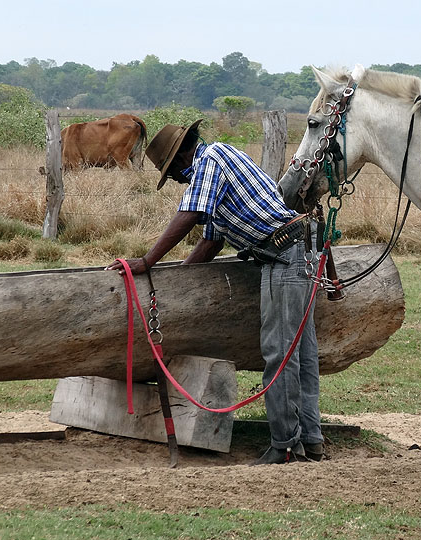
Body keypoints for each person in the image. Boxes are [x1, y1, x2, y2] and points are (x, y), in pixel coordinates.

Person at [107, 120, 324, 465]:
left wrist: (147, 262)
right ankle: (310, 440)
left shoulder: (212, 159)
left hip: (284, 255)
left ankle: (285, 446)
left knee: (279, 354)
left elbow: (191, 213)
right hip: (296, 254)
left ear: (179, 163)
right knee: (300, 353)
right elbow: (211, 240)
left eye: (173, 173)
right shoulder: (217, 167)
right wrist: (178, 281)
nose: (179, 181)